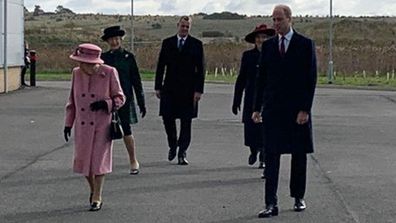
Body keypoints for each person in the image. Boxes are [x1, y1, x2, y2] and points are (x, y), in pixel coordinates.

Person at [252, 5, 317, 218]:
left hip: (296, 111)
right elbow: (261, 80)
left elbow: (310, 80)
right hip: (273, 111)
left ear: (290, 19)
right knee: (271, 156)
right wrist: (256, 108)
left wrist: (304, 109)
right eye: (273, 20)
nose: (276, 23)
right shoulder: (269, 46)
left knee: (298, 155)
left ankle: (298, 196)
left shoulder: (305, 45)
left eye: (279, 19)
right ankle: (271, 202)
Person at [64, 43, 125, 211]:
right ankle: (93, 189)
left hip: (101, 124)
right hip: (83, 125)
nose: (82, 66)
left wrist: (107, 103)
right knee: (84, 162)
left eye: (86, 63)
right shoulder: (76, 74)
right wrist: (68, 123)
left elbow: (120, 98)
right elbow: (72, 101)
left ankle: (97, 195)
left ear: (95, 62)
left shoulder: (110, 72)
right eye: (80, 62)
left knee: (98, 162)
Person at [155, 16, 205, 165]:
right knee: (167, 119)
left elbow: (201, 69)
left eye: (187, 27)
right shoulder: (168, 43)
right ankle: (172, 145)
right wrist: (158, 86)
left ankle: (182, 151)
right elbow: (160, 66)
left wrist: (199, 90)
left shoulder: (196, 44)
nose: (184, 29)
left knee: (186, 122)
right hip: (169, 88)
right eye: (182, 26)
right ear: (178, 26)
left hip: (188, 90)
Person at [101, 26, 146, 175]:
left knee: (126, 128)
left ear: (121, 40)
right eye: (111, 39)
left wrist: (141, 101)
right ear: (107, 41)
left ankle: (133, 160)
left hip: (124, 98)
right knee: (104, 131)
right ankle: (101, 163)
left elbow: (136, 80)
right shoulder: (103, 58)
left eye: (117, 39)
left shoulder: (128, 57)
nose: (114, 41)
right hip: (106, 99)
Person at [232, 24, 275, 172]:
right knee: (250, 129)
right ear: (255, 40)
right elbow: (241, 78)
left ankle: (263, 157)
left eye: (264, 37)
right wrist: (236, 99)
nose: (261, 40)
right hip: (251, 96)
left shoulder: (273, 55)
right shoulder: (248, 56)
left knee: (265, 130)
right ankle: (253, 150)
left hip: (267, 98)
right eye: (258, 38)